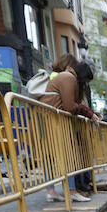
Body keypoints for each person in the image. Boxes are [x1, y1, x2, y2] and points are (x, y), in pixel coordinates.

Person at [38, 54, 77, 202]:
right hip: (55, 122)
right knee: (67, 156)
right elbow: (68, 104)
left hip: (43, 120)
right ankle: (71, 190)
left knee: (48, 157)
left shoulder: (52, 76)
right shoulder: (64, 77)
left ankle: (51, 191)